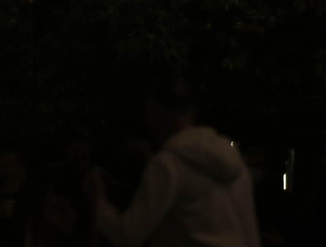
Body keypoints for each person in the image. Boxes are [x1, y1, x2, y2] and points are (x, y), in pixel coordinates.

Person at [84, 80, 259, 247]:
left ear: (156, 111)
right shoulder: (235, 163)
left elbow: (128, 235)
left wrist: (98, 201)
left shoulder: (168, 165)